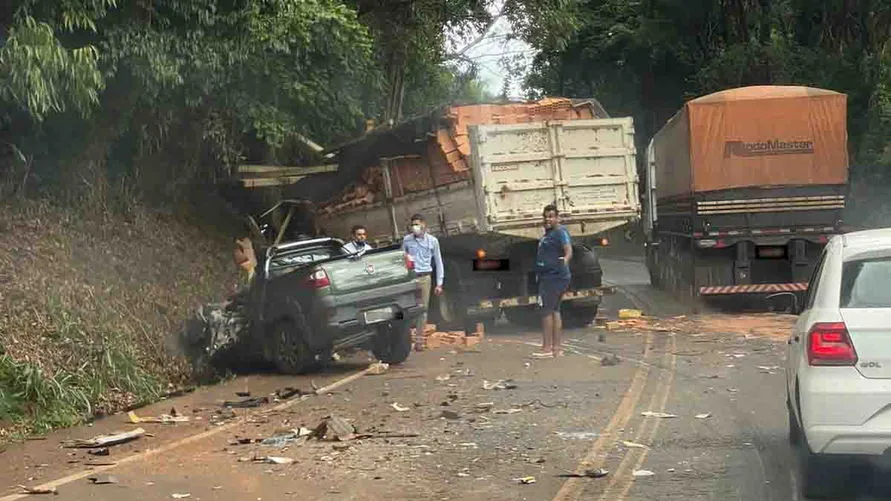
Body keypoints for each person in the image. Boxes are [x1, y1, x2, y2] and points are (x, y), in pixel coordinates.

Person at [534, 204, 573, 358]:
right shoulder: (549, 234)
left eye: (551, 216)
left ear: (557, 218)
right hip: (550, 276)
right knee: (555, 310)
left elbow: (568, 248)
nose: (548, 219)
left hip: (554, 277)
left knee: (547, 311)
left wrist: (566, 259)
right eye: (546, 216)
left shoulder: (559, 232)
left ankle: (547, 348)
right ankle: (556, 349)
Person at [402, 213, 444, 351]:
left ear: (424, 225)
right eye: (413, 224)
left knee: (422, 309)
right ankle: (405, 340)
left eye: (417, 224)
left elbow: (438, 261)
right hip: (411, 277)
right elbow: (402, 259)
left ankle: (419, 342)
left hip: (425, 277)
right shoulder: (407, 240)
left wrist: (439, 283)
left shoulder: (432, 241)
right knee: (408, 308)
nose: (415, 227)